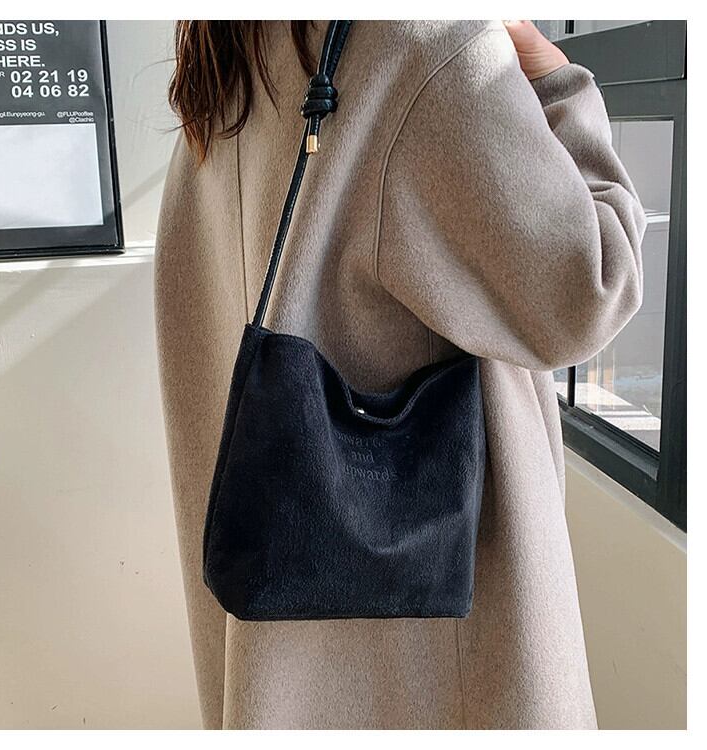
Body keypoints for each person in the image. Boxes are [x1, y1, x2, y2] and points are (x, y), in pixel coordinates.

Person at [155, 20, 645, 729]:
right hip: (427, 670)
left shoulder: (227, 61)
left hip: (283, 665)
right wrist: (557, 83)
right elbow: (588, 289)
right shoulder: (424, 43)